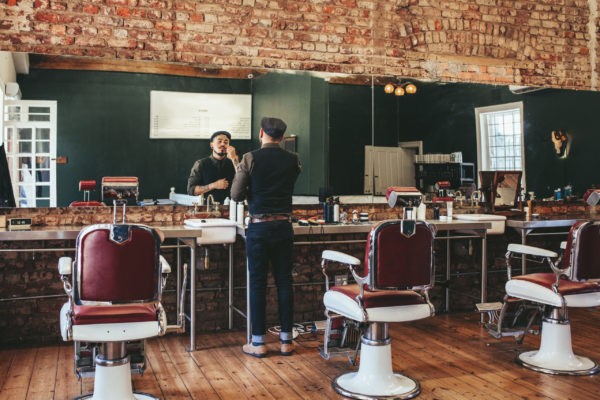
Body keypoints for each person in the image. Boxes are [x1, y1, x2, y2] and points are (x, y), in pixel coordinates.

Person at [231, 117, 301, 358]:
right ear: (282, 137)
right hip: (284, 227)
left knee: (258, 283)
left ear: (261, 133)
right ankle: (286, 341)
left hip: (259, 228)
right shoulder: (293, 160)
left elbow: (236, 195)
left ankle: (258, 343)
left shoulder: (250, 158)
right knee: (284, 282)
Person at [187, 130, 239, 204]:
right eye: (219, 141)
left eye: (226, 142)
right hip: (207, 208)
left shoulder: (233, 162)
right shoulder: (200, 164)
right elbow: (191, 190)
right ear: (212, 145)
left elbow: (244, 182)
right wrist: (214, 185)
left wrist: (234, 159)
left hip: (231, 208)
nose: (223, 144)